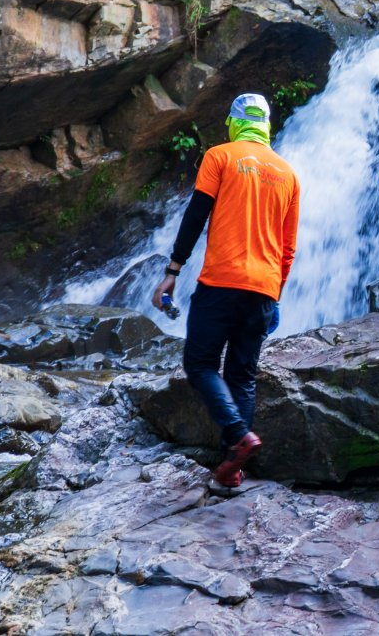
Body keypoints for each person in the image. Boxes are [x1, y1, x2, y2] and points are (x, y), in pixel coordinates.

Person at [152, 93, 300, 489]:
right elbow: (288, 248)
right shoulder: (288, 174)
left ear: (234, 122)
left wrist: (173, 270)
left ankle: (238, 436)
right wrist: (276, 295)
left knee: (200, 364)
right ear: (266, 125)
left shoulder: (220, 156)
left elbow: (196, 214)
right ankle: (231, 470)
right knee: (242, 376)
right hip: (265, 289)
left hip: (221, 281)